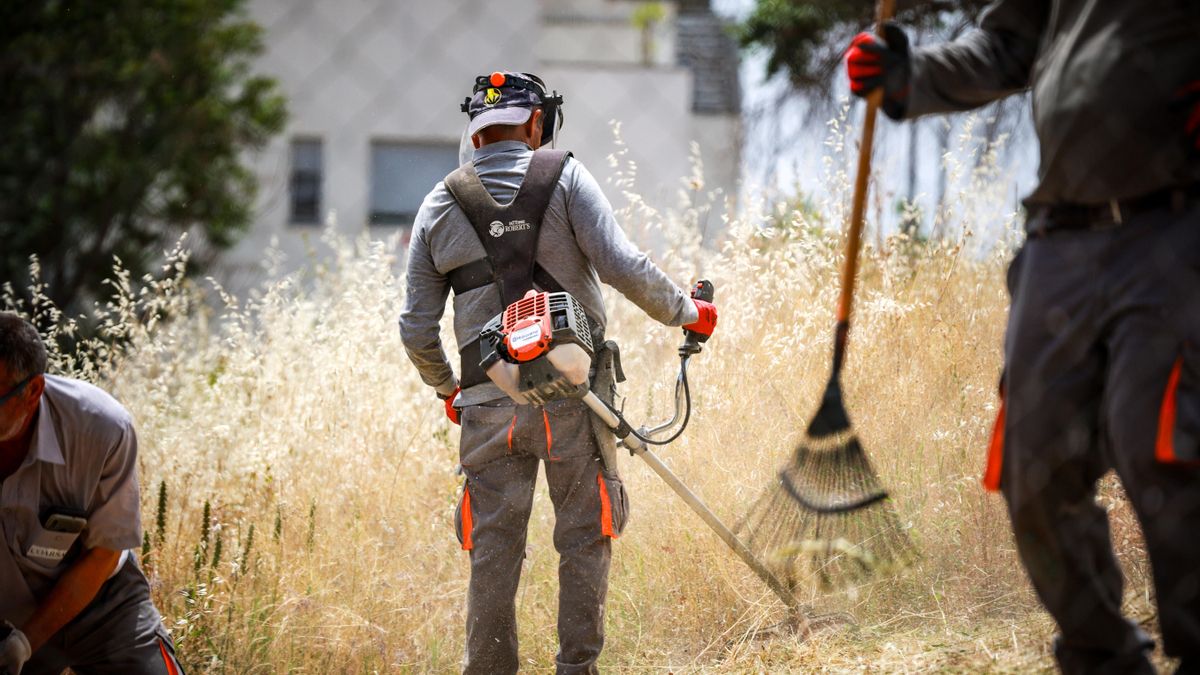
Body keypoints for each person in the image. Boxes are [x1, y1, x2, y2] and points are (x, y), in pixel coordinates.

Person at [845, 2, 1200, 673]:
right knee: (1031, 464)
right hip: (1060, 239)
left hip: (1174, 225)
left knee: (1160, 445)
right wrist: (908, 73)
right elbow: (1007, 46)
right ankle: (1103, 656)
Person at [399, 71, 717, 674]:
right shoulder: (565, 175)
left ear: (476, 132)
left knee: (493, 550)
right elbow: (622, 264)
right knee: (582, 536)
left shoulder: (440, 202)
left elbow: (416, 328)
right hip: (576, 400)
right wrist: (689, 312)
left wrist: (449, 389)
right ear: (537, 122)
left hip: (488, 406)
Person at [0, 313, 184, 675]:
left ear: (33, 391)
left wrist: (25, 642)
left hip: (103, 605)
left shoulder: (103, 430)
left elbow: (104, 554)